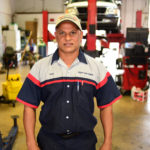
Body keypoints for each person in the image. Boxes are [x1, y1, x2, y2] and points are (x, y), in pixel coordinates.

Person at [16, 14, 122, 150]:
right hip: (49, 142)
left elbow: (106, 106)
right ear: (55, 36)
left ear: (80, 35)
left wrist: (107, 142)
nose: (67, 38)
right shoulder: (40, 67)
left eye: (72, 32)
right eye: (62, 33)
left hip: (84, 143)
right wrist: (31, 143)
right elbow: (29, 107)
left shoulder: (96, 68)